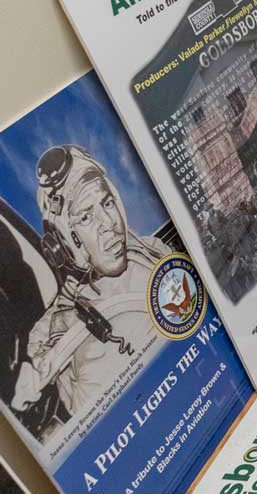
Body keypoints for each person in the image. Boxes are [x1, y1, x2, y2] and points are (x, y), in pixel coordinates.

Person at [12, 146, 169, 430]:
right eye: (86, 217)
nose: (109, 224)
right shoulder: (51, 331)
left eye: (107, 203)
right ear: (62, 243)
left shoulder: (155, 254)